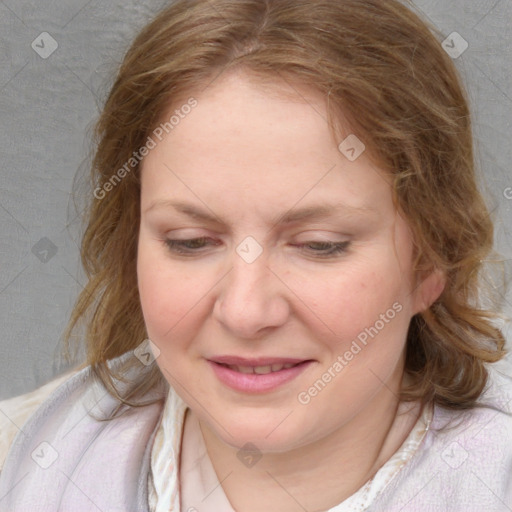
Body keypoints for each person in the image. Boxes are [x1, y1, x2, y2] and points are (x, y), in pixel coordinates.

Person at [1, 0, 511, 510]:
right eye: (190, 242)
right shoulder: (21, 459)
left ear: (430, 261)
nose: (245, 312)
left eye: (319, 246)